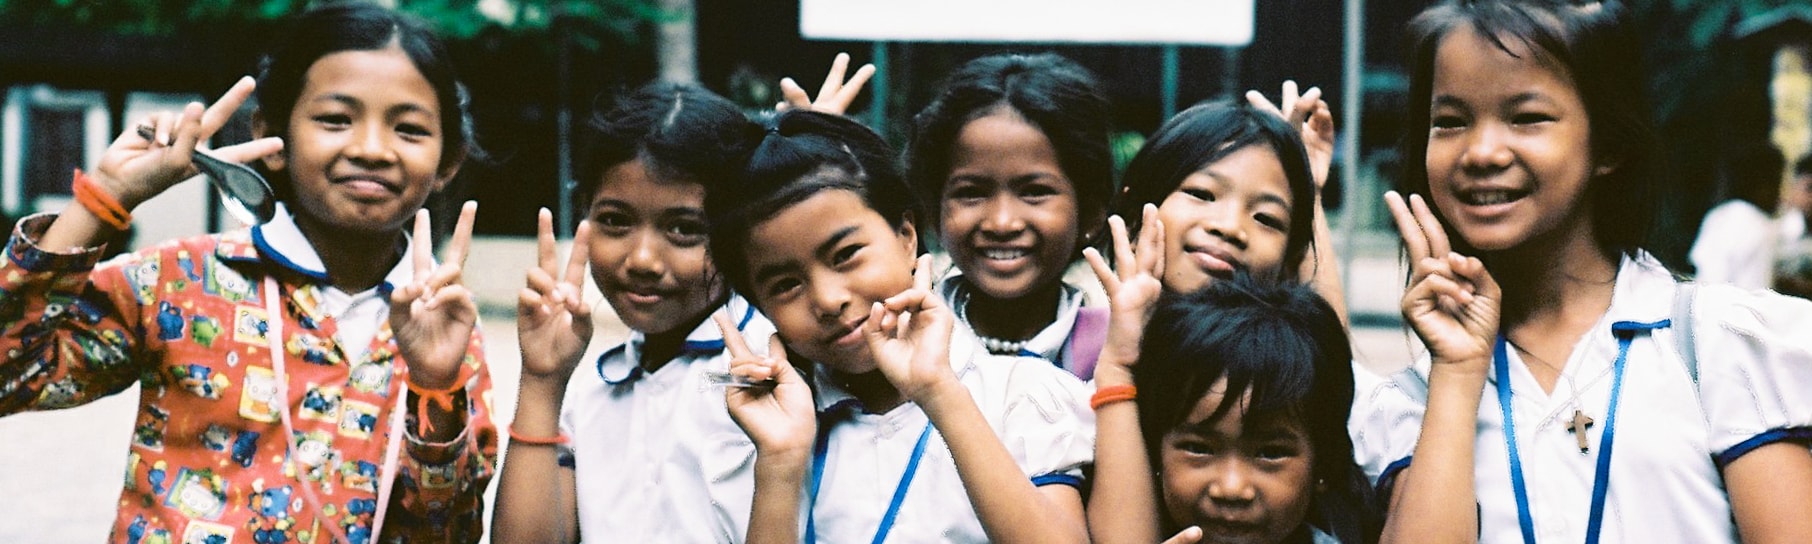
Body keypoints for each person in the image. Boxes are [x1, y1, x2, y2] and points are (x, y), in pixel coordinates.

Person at [0, 2, 496, 542]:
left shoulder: (447, 332)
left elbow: (450, 529)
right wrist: (103, 202)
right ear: (271, 135)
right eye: (335, 119)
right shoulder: (178, 280)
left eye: (409, 129)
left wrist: (435, 391)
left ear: (449, 161)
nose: (371, 149)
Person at [1354, 1, 1812, 542]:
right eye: (1450, 122)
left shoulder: (1722, 346)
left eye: (1527, 117)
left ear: (1610, 143)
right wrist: (1456, 374)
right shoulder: (1414, 401)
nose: (1481, 151)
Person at [705, 110, 1094, 543]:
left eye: (846, 254)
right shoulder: (758, 434)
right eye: (785, 284)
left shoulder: (1021, 395)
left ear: (907, 236)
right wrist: (780, 461)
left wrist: (938, 392)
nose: (828, 299)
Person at [491, 82, 770, 542]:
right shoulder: (594, 394)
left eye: (684, 229)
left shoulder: (769, 369)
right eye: (616, 221)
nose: (642, 258)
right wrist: (542, 382)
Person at [905, 53, 1116, 376]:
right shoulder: (894, 342)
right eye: (971, 192)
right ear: (934, 212)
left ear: (1090, 213)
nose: (1002, 223)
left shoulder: (1117, 351)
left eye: (1034, 192)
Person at [1689, 144, 1787, 289]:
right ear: (1763, 186)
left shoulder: (1717, 215)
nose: (1780, 193)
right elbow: (1757, 292)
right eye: (1778, 183)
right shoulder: (1761, 226)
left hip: (1699, 306)